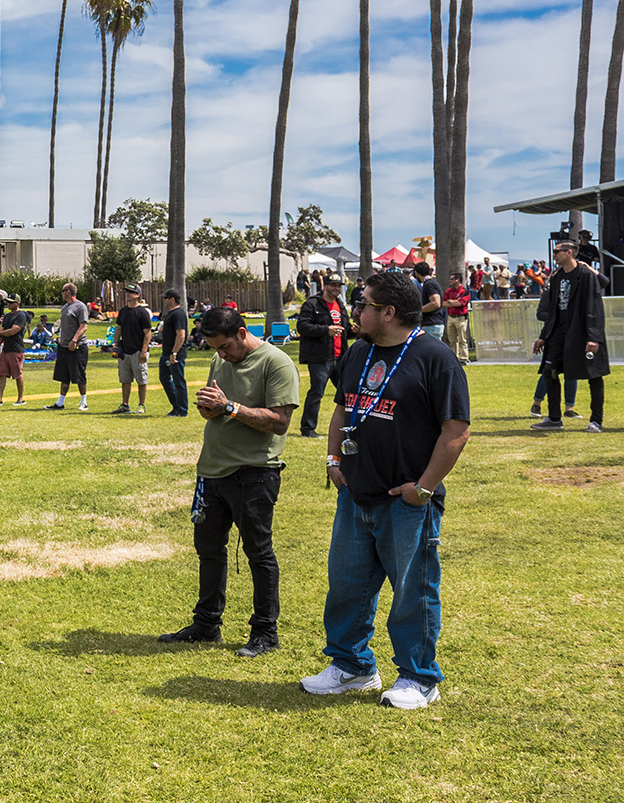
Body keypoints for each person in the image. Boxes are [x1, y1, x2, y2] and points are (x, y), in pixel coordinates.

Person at [302, 269, 470, 709]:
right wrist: (333, 458)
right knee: (347, 585)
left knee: (413, 591)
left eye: (365, 304)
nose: (356, 310)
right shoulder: (359, 351)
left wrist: (424, 488)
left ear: (389, 312)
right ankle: (352, 666)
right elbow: (342, 408)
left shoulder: (436, 358)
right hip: (355, 494)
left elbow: (456, 431)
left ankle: (419, 678)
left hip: (406, 501)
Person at [158, 308, 297, 656]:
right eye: (214, 348)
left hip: (254, 472)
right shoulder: (220, 361)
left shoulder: (275, 363)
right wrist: (209, 408)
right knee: (208, 551)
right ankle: (207, 624)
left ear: (241, 331)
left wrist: (229, 407)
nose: (221, 355)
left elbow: (280, 422)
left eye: (224, 346)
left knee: (258, 553)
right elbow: (216, 406)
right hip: (212, 471)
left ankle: (265, 632)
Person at [531, 239, 609, 433]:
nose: (554, 254)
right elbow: (553, 310)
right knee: (550, 371)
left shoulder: (586, 276)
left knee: (594, 375)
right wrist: (543, 336)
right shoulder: (557, 278)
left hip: (582, 332)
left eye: (557, 251)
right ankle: (555, 419)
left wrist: (594, 337)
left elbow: (594, 307)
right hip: (559, 332)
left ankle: (596, 421)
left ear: (569, 253)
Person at [296, 275, 352, 439]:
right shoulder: (312, 303)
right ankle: (307, 429)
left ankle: (349, 427)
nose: (336, 288)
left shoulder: (340, 305)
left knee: (347, 393)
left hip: (339, 356)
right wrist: (325, 330)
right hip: (319, 357)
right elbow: (302, 326)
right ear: (325, 286)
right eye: (333, 285)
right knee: (316, 393)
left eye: (338, 285)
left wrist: (353, 329)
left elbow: (345, 328)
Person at [45, 283, 91, 411]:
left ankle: (83, 402)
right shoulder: (65, 307)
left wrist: (74, 340)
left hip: (77, 347)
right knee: (63, 376)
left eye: (63, 291)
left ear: (69, 291)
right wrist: (60, 337)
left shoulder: (80, 307)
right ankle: (60, 403)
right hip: (63, 346)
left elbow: (84, 326)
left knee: (79, 375)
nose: (61, 293)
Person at [113, 284, 153, 415]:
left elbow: (148, 333)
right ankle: (125, 405)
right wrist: (115, 343)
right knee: (125, 380)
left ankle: (142, 405)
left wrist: (143, 351)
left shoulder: (142, 312)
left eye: (131, 292)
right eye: (127, 292)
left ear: (137, 295)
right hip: (125, 351)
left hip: (138, 351)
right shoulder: (123, 311)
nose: (128, 294)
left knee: (141, 379)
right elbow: (118, 329)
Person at [0, 294, 30, 406]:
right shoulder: (6, 317)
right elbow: (2, 332)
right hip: (5, 350)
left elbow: (13, 331)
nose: (9, 304)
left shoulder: (21, 316)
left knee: (17, 375)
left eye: (11, 302)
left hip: (16, 350)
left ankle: (21, 398)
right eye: (8, 302)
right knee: (2, 374)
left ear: (17, 303)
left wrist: (0, 332)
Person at [157, 289, 191, 417]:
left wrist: (174, 352)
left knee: (178, 381)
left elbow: (181, 335)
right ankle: (176, 406)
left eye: (165, 298)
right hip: (166, 353)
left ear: (171, 299)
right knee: (164, 378)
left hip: (175, 354)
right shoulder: (170, 314)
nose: (164, 301)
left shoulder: (178, 314)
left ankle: (182, 410)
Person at [440, 272, 471, 363]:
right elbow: (444, 303)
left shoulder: (464, 291)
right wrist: (453, 302)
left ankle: (464, 359)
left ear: (457, 280)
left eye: (452, 279)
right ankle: (454, 358)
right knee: (452, 340)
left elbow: (460, 303)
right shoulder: (448, 291)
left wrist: (451, 302)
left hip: (460, 318)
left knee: (462, 339)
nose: (450, 281)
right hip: (450, 317)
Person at [413, 260, 445, 334]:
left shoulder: (429, 284)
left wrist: (419, 310)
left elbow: (436, 303)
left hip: (432, 324)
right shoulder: (430, 283)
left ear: (416, 273)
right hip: (432, 324)